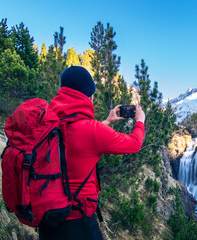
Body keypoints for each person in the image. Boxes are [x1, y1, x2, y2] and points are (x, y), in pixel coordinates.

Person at [38, 66, 145, 240]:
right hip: (78, 220)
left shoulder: (48, 121)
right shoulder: (92, 130)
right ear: (87, 95)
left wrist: (108, 121)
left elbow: (75, 136)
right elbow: (134, 144)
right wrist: (140, 121)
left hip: (47, 216)